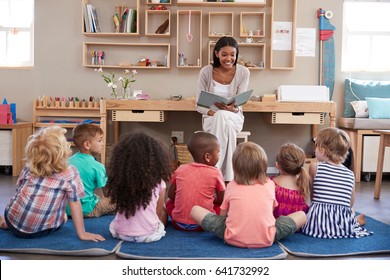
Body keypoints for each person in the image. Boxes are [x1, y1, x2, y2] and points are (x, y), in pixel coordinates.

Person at [190, 142, 306, 248]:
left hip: (231, 237)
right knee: (302, 215)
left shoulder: (231, 185)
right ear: (263, 167)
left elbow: (222, 215)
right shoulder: (270, 184)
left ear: (235, 167)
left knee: (195, 209)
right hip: (267, 237)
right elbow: (270, 212)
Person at [0, 126, 105, 242]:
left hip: (12, 220)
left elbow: (19, 189)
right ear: (62, 151)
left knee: (21, 206)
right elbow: (75, 203)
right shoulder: (70, 173)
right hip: (39, 231)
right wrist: (82, 233)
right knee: (64, 216)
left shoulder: (29, 167)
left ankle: (4, 223)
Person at [196, 36, 250, 182]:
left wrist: (230, 109)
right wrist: (215, 112)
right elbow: (199, 105)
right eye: (224, 54)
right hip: (211, 118)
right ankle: (229, 177)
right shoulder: (206, 72)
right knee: (223, 121)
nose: (229, 58)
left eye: (232, 55)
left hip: (234, 117)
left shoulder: (243, 72)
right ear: (216, 54)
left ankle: (213, 172)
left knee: (223, 117)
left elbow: (239, 105)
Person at [302, 127, 371, 238]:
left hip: (317, 224)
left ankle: (353, 221)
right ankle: (354, 221)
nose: (315, 150)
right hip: (342, 226)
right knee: (351, 210)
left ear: (323, 150)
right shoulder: (350, 174)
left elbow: (312, 196)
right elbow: (350, 204)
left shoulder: (315, 167)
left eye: (316, 147)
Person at [106, 131, 171, 243]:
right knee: (164, 211)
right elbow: (158, 212)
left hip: (119, 233)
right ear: (156, 159)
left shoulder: (119, 180)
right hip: (148, 236)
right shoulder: (159, 182)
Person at [166, 132, 225, 231]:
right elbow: (222, 200)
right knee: (221, 207)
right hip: (203, 224)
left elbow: (171, 196)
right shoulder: (215, 172)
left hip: (178, 223)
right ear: (207, 157)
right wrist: (211, 198)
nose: (219, 155)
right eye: (218, 153)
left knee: (168, 202)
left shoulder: (180, 169)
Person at [66, 123, 115, 218]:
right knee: (121, 201)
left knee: (94, 196)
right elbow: (107, 193)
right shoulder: (98, 166)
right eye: (100, 141)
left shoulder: (68, 161)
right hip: (86, 210)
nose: (103, 143)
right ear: (87, 145)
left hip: (67, 209)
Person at [271, 143, 310, 218]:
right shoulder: (303, 184)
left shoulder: (271, 184)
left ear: (277, 165)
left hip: (276, 228)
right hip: (299, 228)